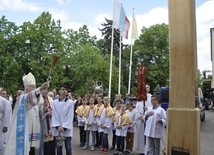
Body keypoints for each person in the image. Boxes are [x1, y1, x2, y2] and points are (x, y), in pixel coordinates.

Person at [5, 72, 49, 155]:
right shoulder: (22, 98)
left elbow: (38, 105)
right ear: (26, 88)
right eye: (31, 87)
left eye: (34, 87)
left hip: (34, 129)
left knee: (32, 150)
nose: (33, 88)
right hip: (25, 130)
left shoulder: (33, 98)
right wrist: (40, 88)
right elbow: (30, 97)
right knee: (26, 149)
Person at [52, 84, 75, 155]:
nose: (64, 91)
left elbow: (70, 116)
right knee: (59, 147)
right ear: (59, 91)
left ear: (67, 92)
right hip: (58, 129)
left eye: (65, 90)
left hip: (66, 129)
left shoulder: (70, 103)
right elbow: (54, 115)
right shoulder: (55, 102)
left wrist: (64, 127)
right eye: (62, 89)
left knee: (68, 146)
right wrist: (57, 126)